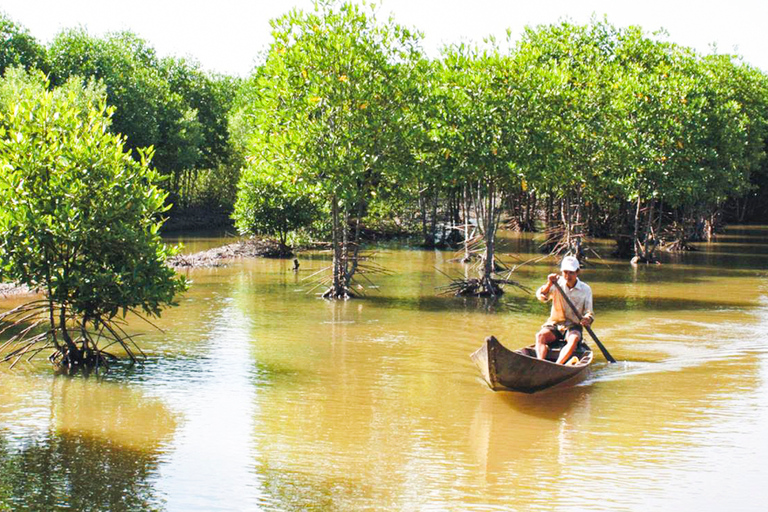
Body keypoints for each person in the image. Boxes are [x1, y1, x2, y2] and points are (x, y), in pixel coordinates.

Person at [535, 255, 594, 365]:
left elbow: (589, 312)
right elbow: (542, 296)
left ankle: (557, 365)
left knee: (574, 339)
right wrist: (549, 284)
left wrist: (587, 319)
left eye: (571, 272)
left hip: (573, 325)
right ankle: (540, 363)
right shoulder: (556, 283)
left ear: (577, 272)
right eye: (565, 272)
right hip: (555, 324)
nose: (568, 276)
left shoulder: (585, 289)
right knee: (540, 336)